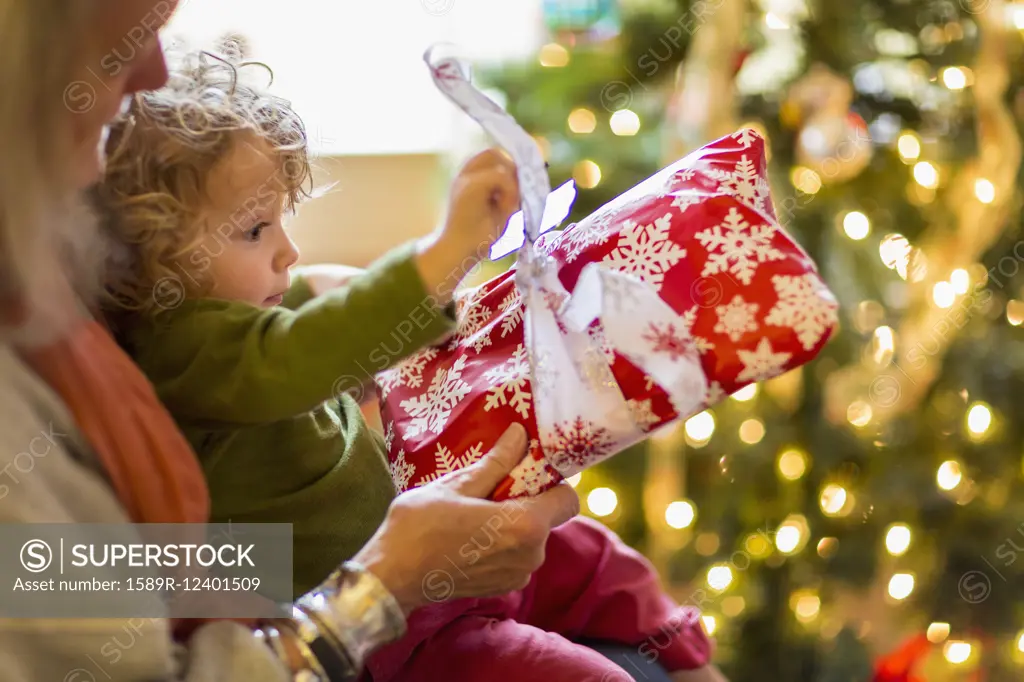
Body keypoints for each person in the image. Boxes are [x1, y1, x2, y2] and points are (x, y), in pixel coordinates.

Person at [95, 47, 724, 682]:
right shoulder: (179, 351)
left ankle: (693, 662)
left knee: (597, 560)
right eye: (254, 230)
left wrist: (332, 287)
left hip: (428, 527)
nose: (287, 251)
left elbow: (306, 314)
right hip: (398, 634)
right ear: (151, 254)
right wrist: (445, 252)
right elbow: (295, 354)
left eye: (280, 221)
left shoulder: (222, 323)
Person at [0, 1, 580, 680]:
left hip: (329, 581)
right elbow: (96, 601)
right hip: (343, 623)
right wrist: (378, 582)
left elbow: (136, 567)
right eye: (107, 27)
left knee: (586, 561)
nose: (150, 67)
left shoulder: (51, 276)